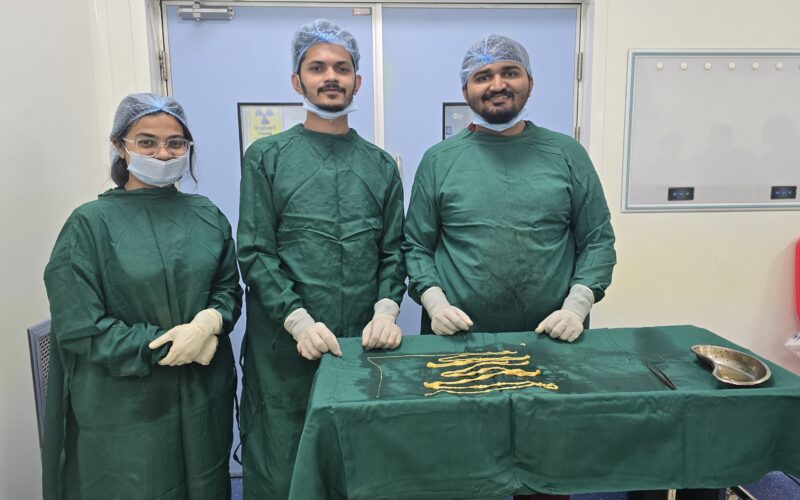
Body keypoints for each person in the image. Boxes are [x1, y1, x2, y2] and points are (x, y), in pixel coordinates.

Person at [402, 35, 617, 499]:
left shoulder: (567, 155)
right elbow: (415, 245)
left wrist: (578, 304)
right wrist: (433, 302)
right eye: (483, 76)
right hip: (460, 350)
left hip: (551, 347)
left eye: (509, 72)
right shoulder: (439, 161)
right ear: (466, 90)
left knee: (546, 469)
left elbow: (598, 240)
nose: (497, 84)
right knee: (462, 472)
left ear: (529, 83)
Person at [41, 93, 243, 500]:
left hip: (203, 395)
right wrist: (165, 344)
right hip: (125, 406)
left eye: (175, 143)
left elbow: (227, 288)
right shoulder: (88, 225)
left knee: (205, 482)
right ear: (121, 146)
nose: (163, 153)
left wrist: (210, 322)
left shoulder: (207, 215)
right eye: (147, 142)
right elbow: (80, 325)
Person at [236, 19, 406, 499]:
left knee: (356, 463)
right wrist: (296, 320)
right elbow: (255, 249)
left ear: (357, 81)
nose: (331, 76)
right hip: (284, 348)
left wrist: (386, 310)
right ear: (298, 81)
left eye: (342, 68)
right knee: (284, 463)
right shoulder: (266, 157)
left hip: (360, 346)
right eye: (317, 67)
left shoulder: (380, 165)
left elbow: (394, 251)